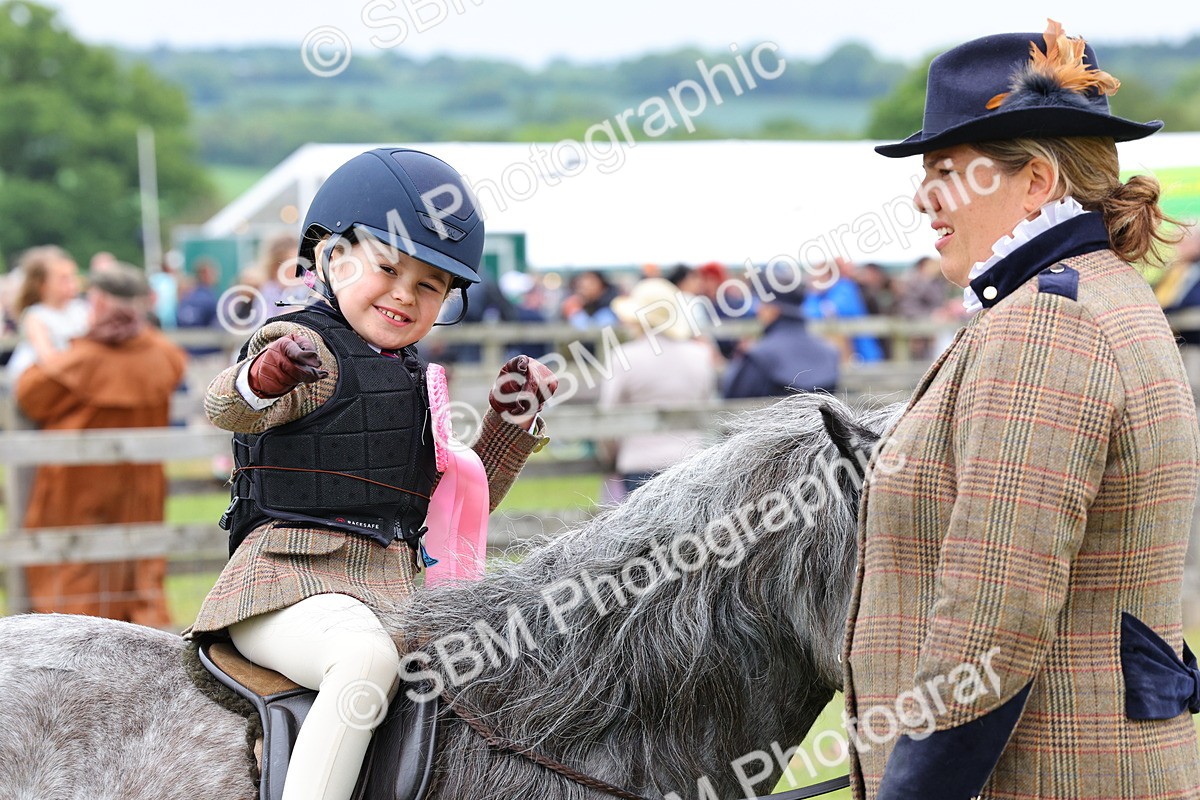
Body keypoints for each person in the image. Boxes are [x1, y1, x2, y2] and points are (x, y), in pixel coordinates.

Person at [842, 21, 1200, 799]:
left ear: (1035, 182)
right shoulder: (1097, 293)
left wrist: (915, 791)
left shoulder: (1048, 319)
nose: (922, 199)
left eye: (944, 171)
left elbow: (993, 615)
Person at [184, 148, 557, 800]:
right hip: (285, 588)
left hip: (390, 595)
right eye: (388, 269)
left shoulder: (415, 379)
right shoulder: (303, 347)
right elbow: (227, 405)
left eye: (429, 286)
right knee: (363, 663)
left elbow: (453, 509)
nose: (403, 295)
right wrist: (263, 378)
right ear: (330, 255)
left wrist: (510, 424)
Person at [16, 264, 187, 627]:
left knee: (76, 568)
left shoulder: (84, 358)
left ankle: (73, 645)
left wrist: (46, 348)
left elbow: (31, 395)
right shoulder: (163, 354)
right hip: (141, 480)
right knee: (137, 566)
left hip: (78, 482)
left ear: (100, 302)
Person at [598, 278, 718, 494]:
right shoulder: (700, 355)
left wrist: (612, 456)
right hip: (690, 461)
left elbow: (608, 418)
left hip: (638, 464)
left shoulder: (624, 357)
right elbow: (707, 406)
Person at [721, 281, 839, 398]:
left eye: (763, 304)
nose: (758, 310)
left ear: (773, 310)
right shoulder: (830, 352)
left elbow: (732, 398)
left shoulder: (757, 357)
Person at [5, 246, 89, 382]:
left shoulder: (81, 309)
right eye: (63, 279)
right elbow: (48, 358)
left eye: (72, 276)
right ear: (42, 284)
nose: (71, 283)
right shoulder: (36, 315)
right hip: (47, 381)